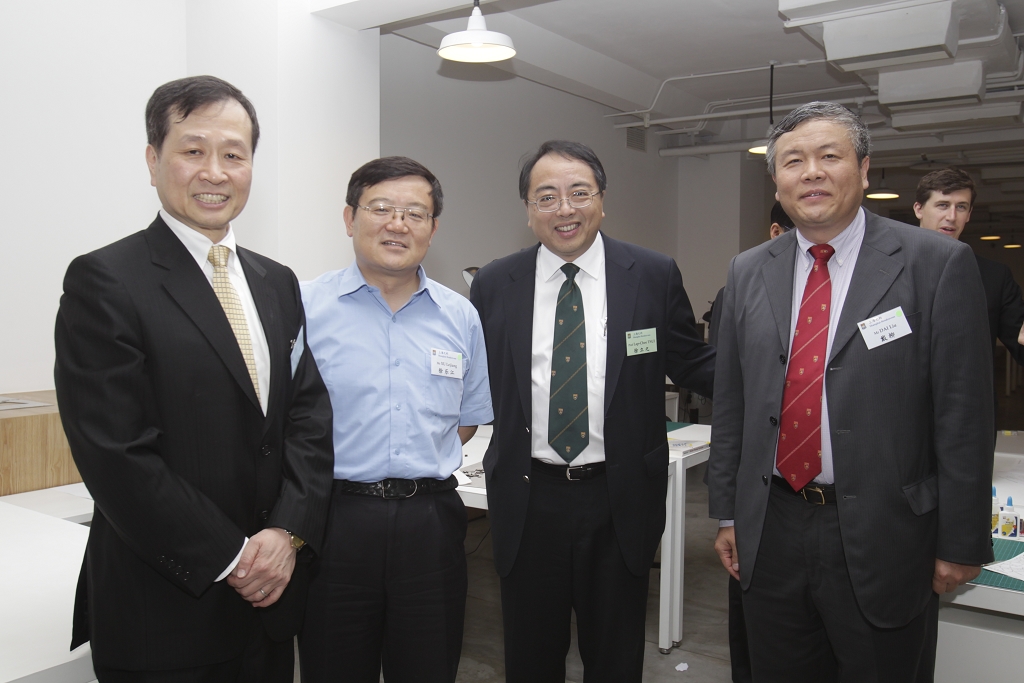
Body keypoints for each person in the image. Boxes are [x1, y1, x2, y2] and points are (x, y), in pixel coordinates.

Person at [54, 75, 335, 682]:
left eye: (234, 154)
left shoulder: (277, 281)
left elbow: (307, 415)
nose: (215, 172)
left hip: (272, 601)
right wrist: (235, 557)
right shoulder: (105, 280)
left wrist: (288, 532)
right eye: (193, 150)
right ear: (153, 160)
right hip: (165, 610)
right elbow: (116, 454)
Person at [707, 101, 994, 682]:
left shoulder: (936, 263)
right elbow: (734, 404)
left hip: (887, 531)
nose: (811, 171)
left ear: (863, 170)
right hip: (773, 524)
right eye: (793, 160)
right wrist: (727, 513)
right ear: (777, 181)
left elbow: (963, 414)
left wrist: (962, 540)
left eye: (829, 156)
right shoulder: (747, 270)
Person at [470, 140, 715, 682]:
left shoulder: (651, 274)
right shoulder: (495, 283)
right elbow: (473, 378)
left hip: (619, 497)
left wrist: (780, 379)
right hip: (528, 497)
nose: (565, 208)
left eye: (579, 193)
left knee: (616, 656)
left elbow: (693, 362)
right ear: (528, 209)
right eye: (547, 196)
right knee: (530, 658)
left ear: (602, 200)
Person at [298, 156, 493, 683]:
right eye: (381, 208)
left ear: (433, 228)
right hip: (333, 520)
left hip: (431, 522)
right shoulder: (304, 308)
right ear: (349, 218)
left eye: (415, 213)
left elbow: (467, 419)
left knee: (429, 667)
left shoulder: (460, 316)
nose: (398, 224)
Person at [914, 167, 1024, 415]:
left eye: (961, 207)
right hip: (897, 418)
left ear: (969, 214)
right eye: (943, 205)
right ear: (919, 209)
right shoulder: (885, 270)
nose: (952, 216)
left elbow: (1020, 339)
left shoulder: (994, 277)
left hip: (968, 416)